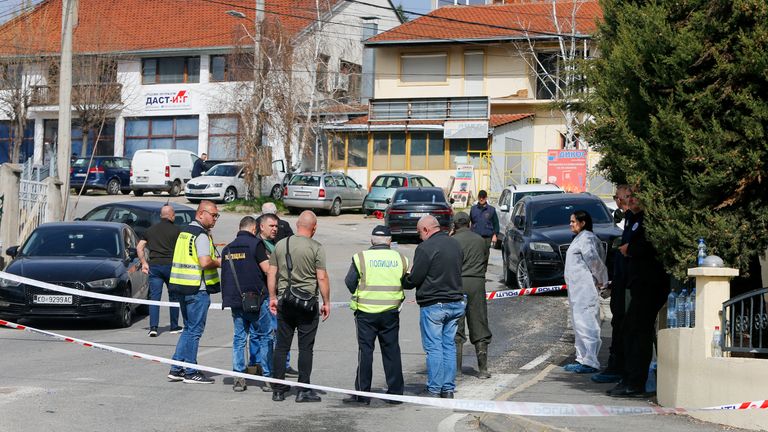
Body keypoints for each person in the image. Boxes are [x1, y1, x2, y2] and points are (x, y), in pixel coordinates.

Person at [608, 187, 670, 397]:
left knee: (637, 330)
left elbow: (650, 246)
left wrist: (629, 250)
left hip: (649, 282)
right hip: (636, 282)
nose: (630, 201)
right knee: (631, 329)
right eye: (628, 197)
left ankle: (636, 382)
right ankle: (630, 378)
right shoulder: (631, 219)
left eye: (633, 197)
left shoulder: (648, 220)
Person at [268, 210, 331, 403]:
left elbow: (272, 273)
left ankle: (278, 389)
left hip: (285, 302)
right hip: (307, 304)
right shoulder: (316, 247)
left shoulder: (281, 244)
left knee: (281, 346)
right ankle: (303, 389)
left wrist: (273, 297)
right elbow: (321, 277)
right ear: (314, 228)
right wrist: (326, 301)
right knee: (305, 348)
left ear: (297, 225)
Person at [342, 225, 408, 405]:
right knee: (392, 351)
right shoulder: (400, 258)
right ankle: (395, 394)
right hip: (390, 313)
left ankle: (363, 394)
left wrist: (362, 293)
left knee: (366, 352)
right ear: (390, 241)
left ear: (372, 240)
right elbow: (407, 282)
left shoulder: (361, 257)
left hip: (365, 313)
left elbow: (349, 281)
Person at [403, 215, 465, 398]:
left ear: (426, 230)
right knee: (449, 346)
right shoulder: (455, 244)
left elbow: (415, 279)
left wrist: (404, 278)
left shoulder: (425, 248)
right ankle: (448, 389)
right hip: (455, 302)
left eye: (419, 232)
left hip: (434, 305)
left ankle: (434, 388)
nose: (419, 236)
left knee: (434, 348)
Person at [166, 200, 221, 384]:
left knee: (188, 329)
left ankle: (176, 368)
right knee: (195, 331)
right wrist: (222, 262)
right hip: (197, 289)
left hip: (182, 287)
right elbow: (205, 262)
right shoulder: (201, 235)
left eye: (217, 216)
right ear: (200, 214)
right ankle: (191, 370)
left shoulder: (184, 232)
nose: (215, 219)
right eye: (213, 215)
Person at [220, 216, 271, 392]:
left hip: (236, 300)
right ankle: (268, 378)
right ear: (254, 228)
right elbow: (267, 269)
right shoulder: (256, 245)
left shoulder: (227, 249)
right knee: (266, 336)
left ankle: (239, 378)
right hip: (257, 300)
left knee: (239, 338)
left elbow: (225, 276)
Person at [592, 184, 632, 383]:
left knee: (624, 326)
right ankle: (616, 366)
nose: (619, 201)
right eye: (616, 198)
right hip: (619, 282)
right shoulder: (624, 220)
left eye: (621, 197)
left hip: (630, 285)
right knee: (618, 324)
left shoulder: (635, 221)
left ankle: (621, 368)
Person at [562, 210, 609, 374]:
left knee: (588, 324)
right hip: (577, 291)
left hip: (585, 290)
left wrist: (602, 280)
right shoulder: (580, 239)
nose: (570, 224)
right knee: (579, 324)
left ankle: (590, 361)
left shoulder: (587, 238)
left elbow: (594, 261)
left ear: (582, 223)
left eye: (573, 221)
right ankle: (581, 358)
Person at [256, 203, 299, 376]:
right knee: (271, 333)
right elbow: (268, 270)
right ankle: (267, 366)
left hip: (279, 292)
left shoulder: (275, 242)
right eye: (272, 226)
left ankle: (281, 364)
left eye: (276, 226)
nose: (276, 229)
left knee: (279, 332)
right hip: (267, 295)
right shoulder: (259, 245)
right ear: (261, 225)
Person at [451, 212, 492, 379]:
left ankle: (457, 370)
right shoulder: (480, 240)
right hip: (476, 282)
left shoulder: (452, 242)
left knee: (456, 325)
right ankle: (483, 369)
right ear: (469, 223)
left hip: (458, 284)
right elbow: (484, 262)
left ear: (455, 225)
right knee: (479, 321)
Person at [137, 204, 182, 337]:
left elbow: (140, 247)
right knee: (174, 296)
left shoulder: (150, 230)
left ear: (161, 216)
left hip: (154, 267)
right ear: (171, 216)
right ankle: (174, 326)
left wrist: (144, 263)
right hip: (171, 267)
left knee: (154, 298)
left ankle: (153, 328)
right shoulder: (177, 230)